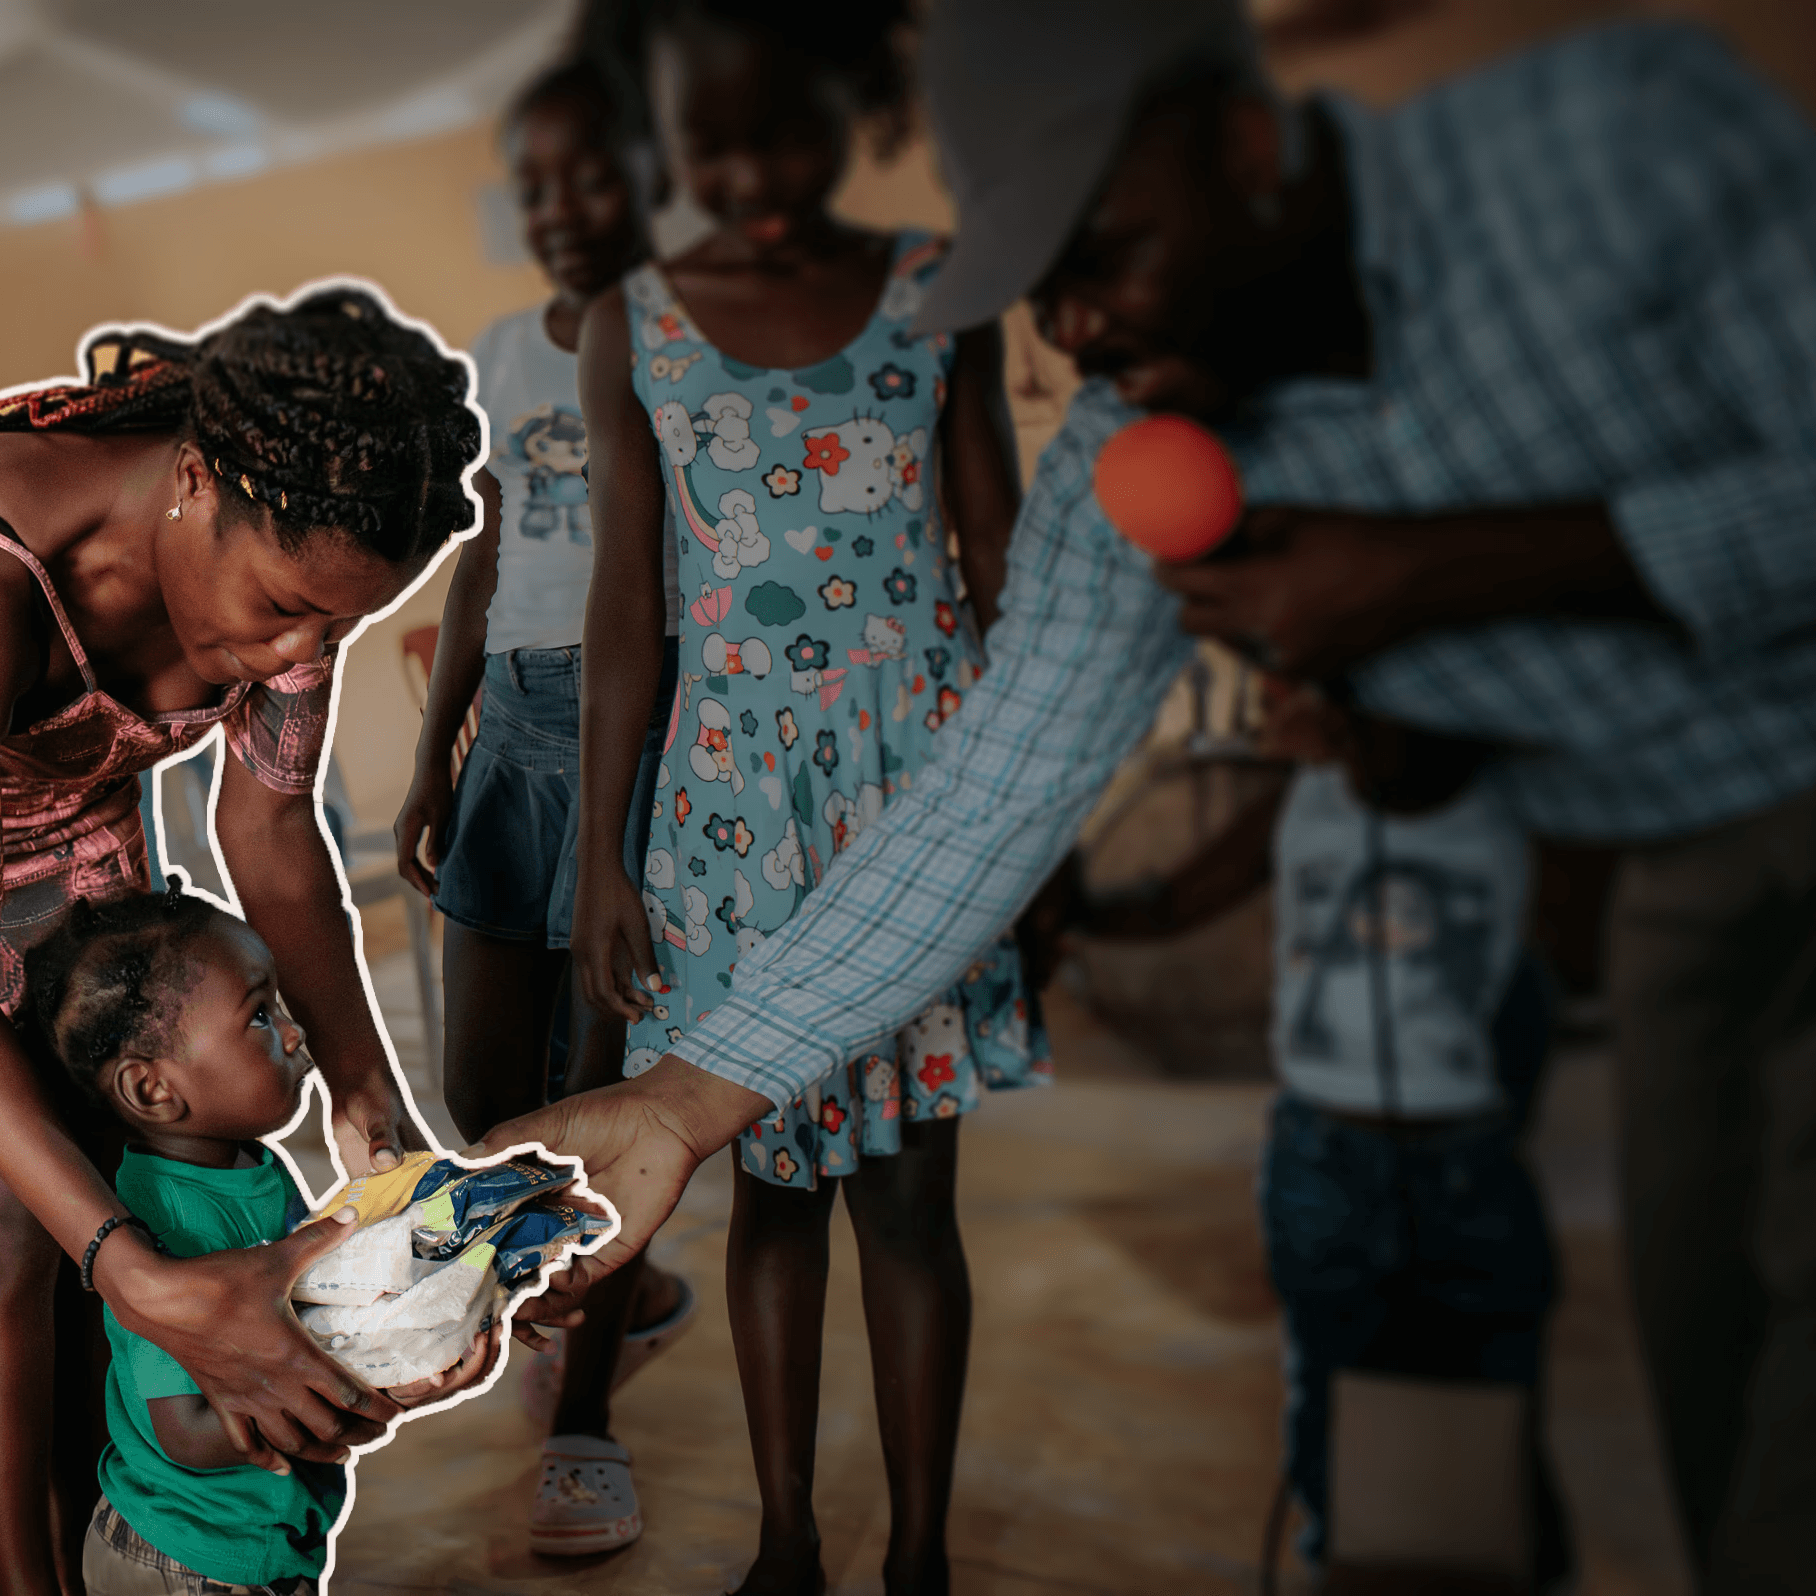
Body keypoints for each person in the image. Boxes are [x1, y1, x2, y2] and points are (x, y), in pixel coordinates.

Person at [494, 5, 1816, 1588]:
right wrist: (685, 1098)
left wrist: (1434, 579)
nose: (1082, 331)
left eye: (1101, 253)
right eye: (1045, 287)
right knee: (1722, 1374)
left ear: (1244, 147)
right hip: (1686, 880)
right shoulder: (1138, 437)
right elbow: (994, 780)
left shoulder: (1614, 141)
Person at [0, 286, 478, 1595]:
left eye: (336, 627)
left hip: (79, 810)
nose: (296, 652)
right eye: (284, 609)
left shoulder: (296, 562)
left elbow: (269, 837)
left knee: (135, 1158)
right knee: (6, 1217)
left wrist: (367, 1104)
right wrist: (142, 1284)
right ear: (199, 484)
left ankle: (115, 1522)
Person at [567, 4, 1042, 1589]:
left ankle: (918, 1553)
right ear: (665, 140)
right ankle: (787, 1540)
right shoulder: (632, 320)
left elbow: (1003, 562)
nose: (754, 177)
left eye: (786, 134)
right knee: (767, 1197)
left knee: (908, 1204)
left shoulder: (936, 292)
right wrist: (602, 860)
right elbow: (626, 609)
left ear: (854, 105)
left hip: (922, 800)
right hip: (725, 823)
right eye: (713, 148)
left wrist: (1026, 821)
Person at [390, 56, 692, 1557]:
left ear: (658, 179)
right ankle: (615, 1300)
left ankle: (586, 1421)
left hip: (640, 730)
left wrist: (617, 827)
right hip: (511, 724)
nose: (566, 210)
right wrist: (435, 755)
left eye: (597, 177)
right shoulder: (508, 347)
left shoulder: (693, 344)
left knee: (598, 1087)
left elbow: (650, 582)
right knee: (481, 1097)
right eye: (542, 185)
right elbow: (487, 564)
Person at [1070, 685, 1570, 1587]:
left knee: (1486, 1399)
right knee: (1332, 1400)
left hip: (1468, 1153)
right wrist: (1070, 901)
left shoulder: (1519, 799)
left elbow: (1560, 974)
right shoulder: (1300, 798)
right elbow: (1174, 899)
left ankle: (1505, 1553)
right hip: (1325, 1152)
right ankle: (1339, 1556)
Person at [17, 886, 495, 1596]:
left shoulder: (250, 1167)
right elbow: (185, 1430)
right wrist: (368, 1391)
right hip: (189, 1563)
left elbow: (316, 1312)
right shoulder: (166, 1227)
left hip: (247, 1548)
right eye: (261, 1015)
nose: (298, 1033)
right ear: (152, 1090)